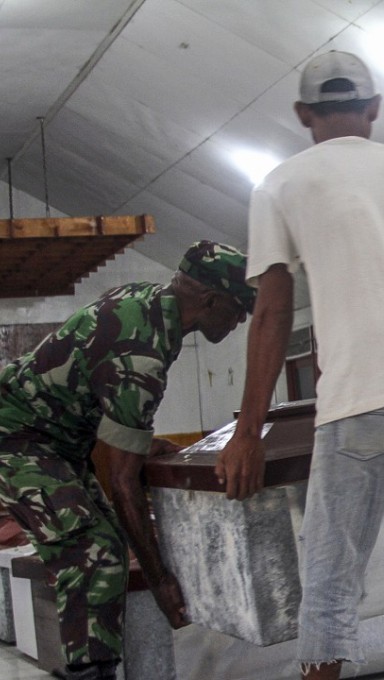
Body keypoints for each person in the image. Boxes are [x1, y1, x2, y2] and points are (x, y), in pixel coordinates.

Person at [216, 51, 384, 679]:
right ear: (373, 109)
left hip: (366, 389)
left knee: (332, 572)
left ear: (304, 113)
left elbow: (272, 316)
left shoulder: (280, 184)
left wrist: (246, 433)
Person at [0, 240, 256, 679]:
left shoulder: (148, 302)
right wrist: (160, 582)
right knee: (93, 553)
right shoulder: (144, 350)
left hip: (59, 438)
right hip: (17, 436)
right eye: (238, 310)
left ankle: (96, 663)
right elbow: (123, 483)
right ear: (211, 300)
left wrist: (142, 442)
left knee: (109, 545)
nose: (241, 321)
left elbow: (102, 392)